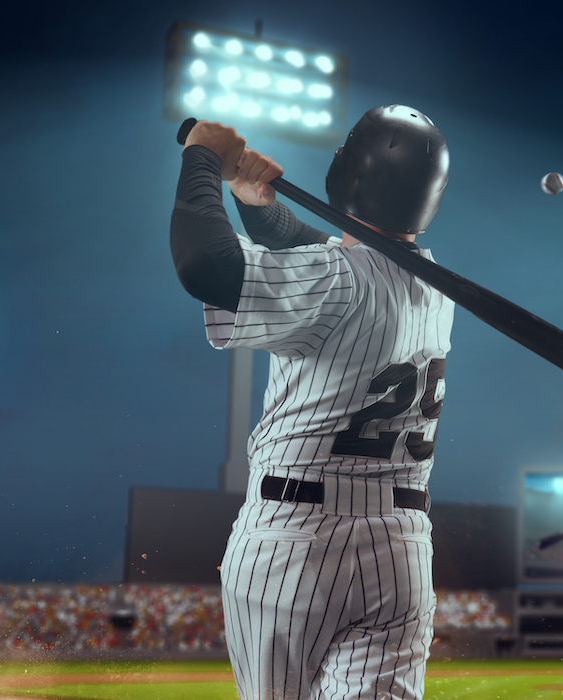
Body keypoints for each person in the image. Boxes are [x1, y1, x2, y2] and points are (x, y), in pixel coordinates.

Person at [169, 105, 453, 700]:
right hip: (401, 549)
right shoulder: (434, 284)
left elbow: (207, 266)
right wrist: (257, 205)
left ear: (344, 173)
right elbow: (330, 252)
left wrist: (201, 156)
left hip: (295, 542)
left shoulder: (335, 280)